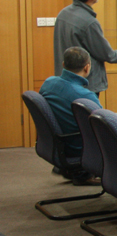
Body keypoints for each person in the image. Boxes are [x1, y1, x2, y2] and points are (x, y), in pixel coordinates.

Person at [53, 0, 117, 93]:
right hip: (85, 84)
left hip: (65, 80)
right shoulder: (89, 22)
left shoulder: (63, 14)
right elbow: (105, 52)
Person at [39, 47, 102, 184]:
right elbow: (104, 126)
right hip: (78, 148)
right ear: (87, 68)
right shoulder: (86, 96)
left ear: (63, 65)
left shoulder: (48, 83)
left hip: (58, 144)